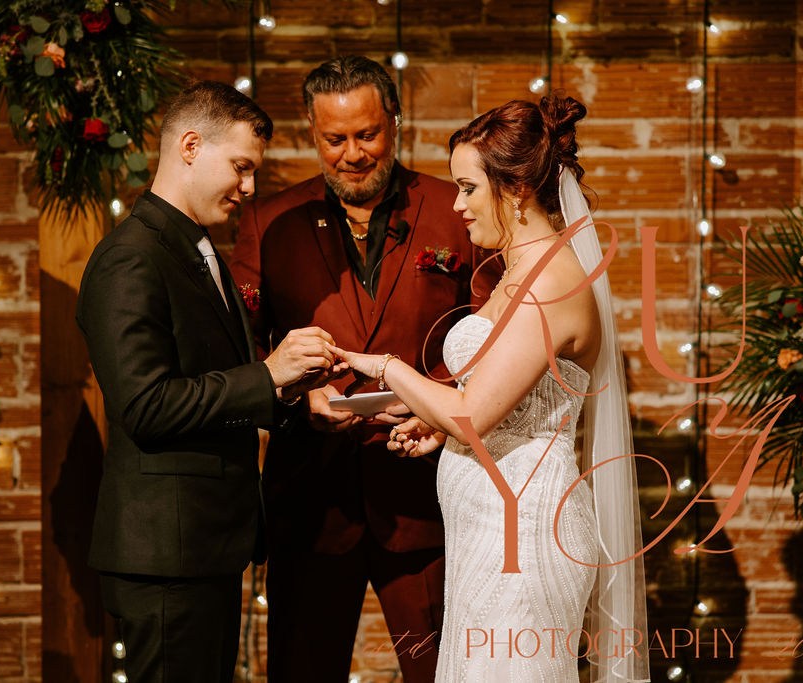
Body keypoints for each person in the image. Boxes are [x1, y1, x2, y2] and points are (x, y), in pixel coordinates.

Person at [334, 96, 650, 682]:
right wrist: (435, 423)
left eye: (467, 188)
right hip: (485, 531)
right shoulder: (516, 274)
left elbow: (474, 413)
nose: (456, 205)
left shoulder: (552, 282)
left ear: (517, 189)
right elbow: (498, 400)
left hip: (524, 535)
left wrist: (386, 369)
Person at [229, 55, 495, 681]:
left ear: (395, 122)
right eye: (334, 139)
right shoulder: (268, 221)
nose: (352, 154)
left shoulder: (455, 208)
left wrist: (435, 402)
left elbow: (492, 333)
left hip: (426, 496)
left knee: (442, 673)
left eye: (367, 134)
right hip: (310, 501)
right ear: (312, 133)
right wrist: (297, 398)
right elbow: (239, 347)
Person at [77, 81, 341, 683]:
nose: (249, 188)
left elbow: (209, 380)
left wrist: (290, 395)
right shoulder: (130, 257)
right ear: (191, 146)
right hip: (164, 556)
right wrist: (267, 375)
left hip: (203, 546)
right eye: (241, 167)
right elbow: (145, 406)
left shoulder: (198, 249)